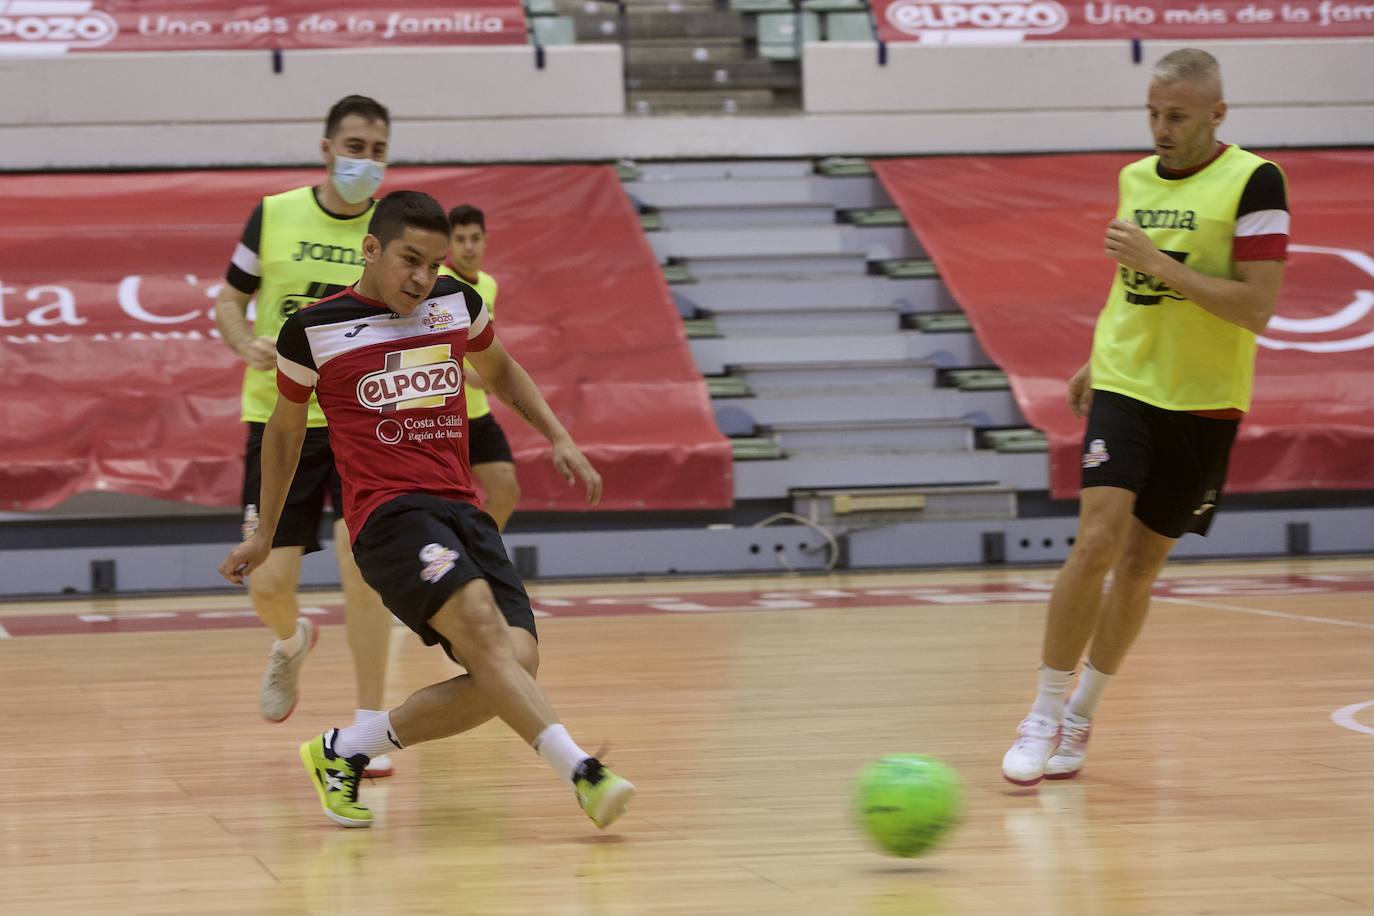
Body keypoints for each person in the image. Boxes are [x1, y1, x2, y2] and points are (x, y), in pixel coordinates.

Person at [218, 190, 635, 830]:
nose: (422, 277)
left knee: (513, 665)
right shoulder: (313, 331)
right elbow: (283, 436)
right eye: (410, 259)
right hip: (388, 516)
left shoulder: (456, 305)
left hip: (459, 508)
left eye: (434, 264)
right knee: (482, 627)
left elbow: (500, 371)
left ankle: (344, 751)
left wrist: (558, 434)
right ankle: (581, 770)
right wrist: (264, 536)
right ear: (371, 248)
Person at [1001, 48, 1289, 786]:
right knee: (1094, 539)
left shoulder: (1255, 181)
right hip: (1128, 383)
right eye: (1153, 114)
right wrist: (1100, 360)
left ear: (1217, 114)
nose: (1161, 129)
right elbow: (1133, 288)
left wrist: (1161, 263)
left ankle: (1082, 713)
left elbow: (1255, 308)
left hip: (1205, 398)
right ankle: (1039, 710)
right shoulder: (1133, 178)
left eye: (1178, 116)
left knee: (1139, 565)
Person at [214, 95, 396, 777]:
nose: (365, 160)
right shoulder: (274, 213)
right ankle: (292, 641)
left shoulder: (391, 226)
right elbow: (229, 299)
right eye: (354, 146)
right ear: (326, 148)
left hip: (362, 420)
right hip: (279, 416)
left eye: (377, 149)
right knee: (268, 581)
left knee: (364, 565)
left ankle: (369, 727)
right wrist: (246, 343)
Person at [440, 204, 521, 530]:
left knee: (506, 490)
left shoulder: (488, 285)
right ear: (448, 243)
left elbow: (485, 344)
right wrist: (461, 374)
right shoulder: (438, 282)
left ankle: (481, 554)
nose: (469, 247)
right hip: (443, 416)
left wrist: (487, 374)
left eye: (475, 238)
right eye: (460, 239)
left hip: (478, 414)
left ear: (486, 240)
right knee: (449, 504)